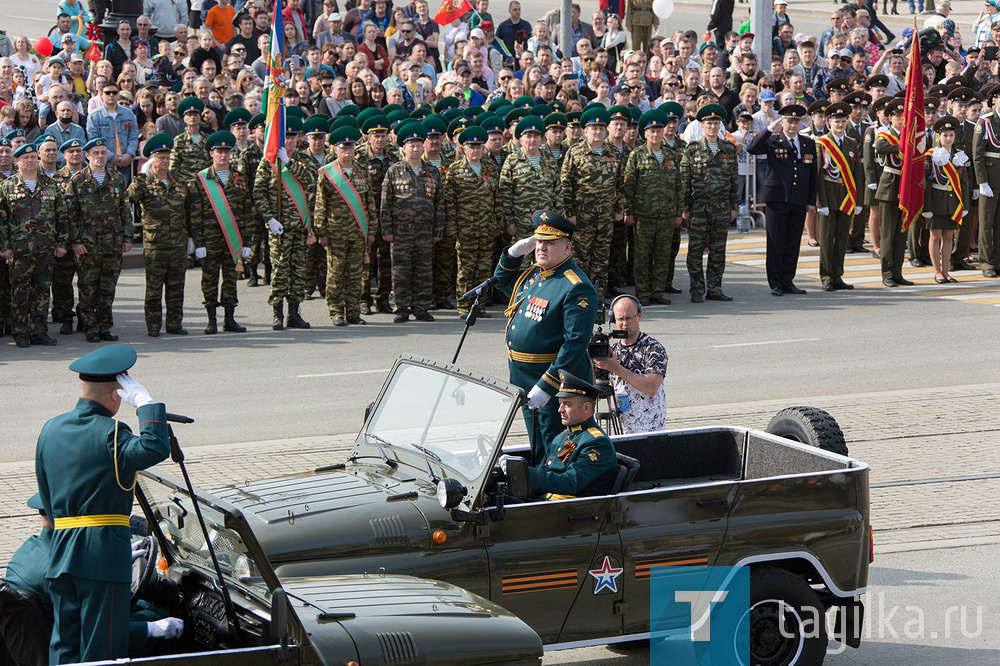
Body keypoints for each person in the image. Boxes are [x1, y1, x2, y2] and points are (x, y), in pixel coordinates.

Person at [35, 344, 171, 663]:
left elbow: (46, 495)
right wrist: (146, 404)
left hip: (60, 552)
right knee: (102, 647)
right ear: (117, 395)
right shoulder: (111, 432)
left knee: (65, 645)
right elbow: (154, 446)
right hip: (102, 553)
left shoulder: (50, 429)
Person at [493, 210, 598, 467]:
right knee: (537, 441)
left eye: (549, 243)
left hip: (553, 381)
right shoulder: (534, 275)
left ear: (567, 248)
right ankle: (543, 487)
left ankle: (556, 494)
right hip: (523, 377)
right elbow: (501, 284)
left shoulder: (575, 286)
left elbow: (575, 344)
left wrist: (547, 386)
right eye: (539, 241)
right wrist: (511, 255)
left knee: (556, 445)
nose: (541, 247)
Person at [0, 143, 70, 348]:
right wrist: (4, 246)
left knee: (41, 291)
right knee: (20, 292)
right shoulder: (7, 186)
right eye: (26, 158)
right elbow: (1, 220)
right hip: (19, 250)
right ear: (17, 161)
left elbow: (62, 218)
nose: (30, 161)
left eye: (33, 157)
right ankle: (20, 332)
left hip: (45, 249)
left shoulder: (51, 185)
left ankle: (39, 330)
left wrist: (61, 244)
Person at [748, 103, 818, 296]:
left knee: (793, 241)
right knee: (776, 241)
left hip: (798, 198)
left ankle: (788, 280)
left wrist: (811, 200)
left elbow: (813, 174)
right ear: (782, 121)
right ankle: (775, 282)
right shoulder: (773, 140)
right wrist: (770, 128)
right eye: (789, 121)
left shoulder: (807, 143)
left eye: (796, 122)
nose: (792, 126)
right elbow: (752, 148)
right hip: (778, 198)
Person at [127, 133, 192, 337]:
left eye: (167, 157)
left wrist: (191, 238)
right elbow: (130, 197)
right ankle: (153, 325)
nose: (164, 161)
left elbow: (188, 211)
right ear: (152, 160)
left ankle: (174, 323)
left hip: (178, 244)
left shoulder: (180, 183)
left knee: (176, 287)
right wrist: (142, 176)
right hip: (155, 245)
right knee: (154, 289)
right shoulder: (144, 183)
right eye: (160, 157)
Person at [517, 369, 617, 500]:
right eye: (560, 404)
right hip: (550, 502)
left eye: (567, 404)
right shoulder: (563, 436)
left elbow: (570, 483)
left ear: (586, 407)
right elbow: (549, 471)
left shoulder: (596, 443)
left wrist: (523, 473)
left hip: (572, 511)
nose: (560, 410)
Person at [254, 115, 314, 330]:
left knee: (298, 271)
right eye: (285, 137)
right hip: (279, 228)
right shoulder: (268, 162)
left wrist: (289, 163)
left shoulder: (303, 160)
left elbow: (311, 180)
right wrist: (269, 218)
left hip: (299, 226)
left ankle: (294, 313)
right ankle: (277, 312)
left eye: (292, 137)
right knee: (280, 270)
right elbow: (258, 192)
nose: (289, 141)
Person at [380, 120, 444, 322]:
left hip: (425, 231)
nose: (415, 149)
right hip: (401, 231)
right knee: (401, 270)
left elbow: (439, 203)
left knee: (424, 270)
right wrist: (387, 229)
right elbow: (385, 203)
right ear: (404, 148)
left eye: (418, 145)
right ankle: (402, 308)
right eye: (411, 145)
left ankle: (421, 307)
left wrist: (438, 231)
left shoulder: (432, 172)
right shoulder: (394, 171)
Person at [315, 125, 377, 326]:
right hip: (336, 232)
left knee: (355, 273)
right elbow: (320, 204)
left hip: (358, 231)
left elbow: (369, 203)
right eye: (344, 147)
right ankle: (336, 312)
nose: (348, 151)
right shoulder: (328, 172)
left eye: (351, 146)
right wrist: (321, 231)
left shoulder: (361, 171)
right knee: (336, 273)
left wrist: (371, 230)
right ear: (335, 149)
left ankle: (353, 311)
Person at [192, 130, 252, 334]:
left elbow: (246, 211)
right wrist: (198, 242)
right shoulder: (201, 179)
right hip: (210, 239)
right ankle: (211, 320)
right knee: (209, 279)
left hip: (233, 239)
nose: (223, 155)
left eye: (227, 151)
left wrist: (247, 242)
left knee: (230, 278)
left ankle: (229, 319)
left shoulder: (239, 178)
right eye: (219, 151)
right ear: (211, 154)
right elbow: (195, 213)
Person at [559, 106, 623, 296]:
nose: (597, 132)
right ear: (585, 131)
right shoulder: (575, 152)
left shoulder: (613, 153)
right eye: (593, 128)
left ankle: (598, 296)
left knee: (602, 257)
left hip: (605, 215)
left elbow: (620, 184)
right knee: (580, 258)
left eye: (601, 128)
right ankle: (578, 295)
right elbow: (565, 185)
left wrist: (619, 208)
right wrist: (569, 214)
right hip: (582, 216)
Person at [622, 107, 682, 306]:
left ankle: (658, 290)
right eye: (651, 131)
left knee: (663, 254)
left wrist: (678, 212)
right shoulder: (637, 155)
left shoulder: (672, 156)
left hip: (666, 214)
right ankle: (643, 291)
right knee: (642, 254)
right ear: (645, 133)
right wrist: (628, 212)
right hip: (643, 214)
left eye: (659, 130)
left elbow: (679, 186)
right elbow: (628, 186)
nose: (655, 134)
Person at [681, 104, 738, 303]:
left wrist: (733, 206)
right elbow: (685, 181)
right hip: (698, 207)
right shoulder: (693, 149)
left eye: (715, 123)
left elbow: (734, 180)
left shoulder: (729, 149)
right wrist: (685, 208)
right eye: (708, 124)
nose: (712, 127)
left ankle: (715, 287)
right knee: (695, 249)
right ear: (702, 126)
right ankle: (697, 288)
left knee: (718, 249)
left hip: (721, 207)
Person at [446, 125, 501, 321]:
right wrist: (453, 228)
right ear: (464, 148)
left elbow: (497, 199)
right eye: (471, 147)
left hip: (486, 227)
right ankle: (463, 305)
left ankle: (480, 305)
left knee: (484, 269)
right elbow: (450, 202)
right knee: (465, 269)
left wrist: (497, 224)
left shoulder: (490, 169)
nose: (475, 150)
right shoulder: (454, 170)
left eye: (478, 147)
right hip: (465, 228)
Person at [592, 294, 667, 434]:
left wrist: (616, 368)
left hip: (650, 430)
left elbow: (651, 388)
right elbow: (598, 393)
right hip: (621, 429)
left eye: (629, 318)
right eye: (620, 319)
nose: (624, 324)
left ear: (639, 316)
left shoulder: (653, 348)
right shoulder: (611, 351)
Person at [815, 102, 862, 291]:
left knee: (842, 238)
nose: (840, 125)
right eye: (837, 121)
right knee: (827, 239)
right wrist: (821, 202)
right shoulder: (822, 144)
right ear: (829, 122)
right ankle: (826, 276)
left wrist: (858, 200)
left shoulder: (851, 143)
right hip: (829, 197)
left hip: (847, 197)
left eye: (843, 121)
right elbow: (818, 175)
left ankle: (838, 276)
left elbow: (857, 173)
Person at [925, 115, 970, 283]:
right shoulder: (932, 155)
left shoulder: (959, 156)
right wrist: (927, 207)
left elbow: (964, 182)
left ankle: (946, 270)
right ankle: (937, 271)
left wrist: (964, 204)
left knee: (949, 237)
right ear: (938, 136)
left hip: (953, 201)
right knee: (935, 237)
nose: (949, 138)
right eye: (945, 135)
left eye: (951, 135)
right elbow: (927, 184)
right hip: (936, 200)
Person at [874, 98, 913, 287]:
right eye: (897, 116)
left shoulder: (909, 135)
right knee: (888, 234)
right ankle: (887, 273)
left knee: (901, 233)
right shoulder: (885, 134)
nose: (900, 119)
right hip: (890, 187)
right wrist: (904, 147)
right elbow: (880, 147)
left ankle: (897, 272)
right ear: (889, 118)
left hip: (905, 186)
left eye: (903, 116)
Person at [974, 86, 1000, 279]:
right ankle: (986, 262)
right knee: (986, 223)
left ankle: (997, 260)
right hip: (990, 179)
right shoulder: (986, 122)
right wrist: (982, 182)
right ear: (995, 100)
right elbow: (978, 155)